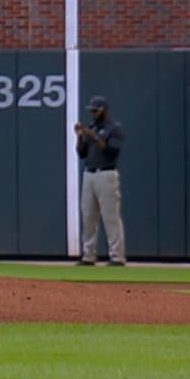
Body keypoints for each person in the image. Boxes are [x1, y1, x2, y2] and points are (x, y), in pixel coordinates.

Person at [74, 96, 126, 267]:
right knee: (88, 216)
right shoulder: (92, 128)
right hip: (89, 174)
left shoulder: (114, 128)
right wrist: (80, 137)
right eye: (91, 111)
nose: (93, 113)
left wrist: (95, 137)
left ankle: (116, 256)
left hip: (106, 174)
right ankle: (88, 255)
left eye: (95, 110)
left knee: (110, 216)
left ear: (103, 110)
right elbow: (82, 154)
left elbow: (111, 152)